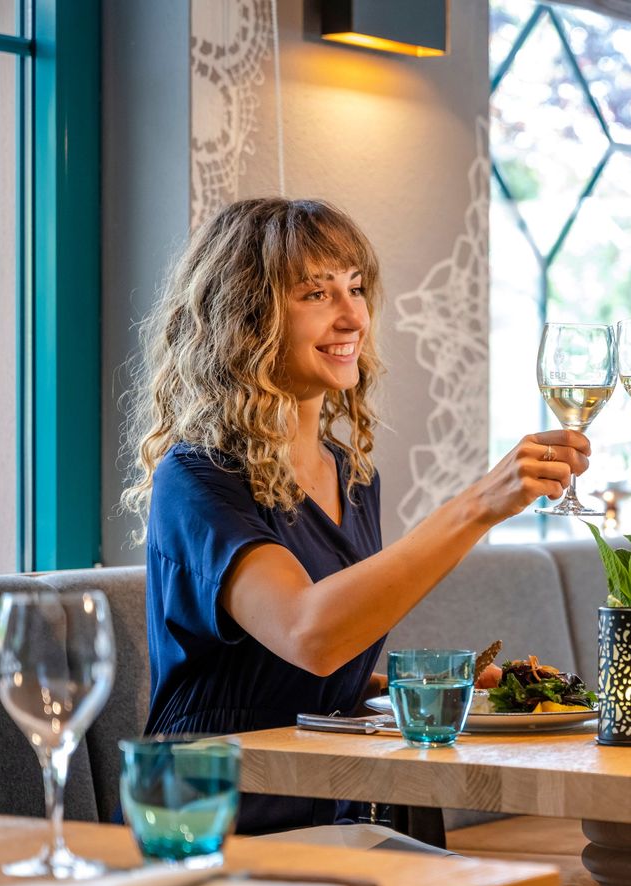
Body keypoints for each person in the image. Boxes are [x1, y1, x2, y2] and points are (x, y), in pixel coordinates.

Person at [121, 197, 590, 834]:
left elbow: (300, 676)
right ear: (245, 318)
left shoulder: (352, 475)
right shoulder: (197, 477)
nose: (352, 318)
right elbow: (309, 636)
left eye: (357, 289)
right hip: (216, 812)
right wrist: (480, 504)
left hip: (337, 792)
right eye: (316, 294)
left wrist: (424, 689)